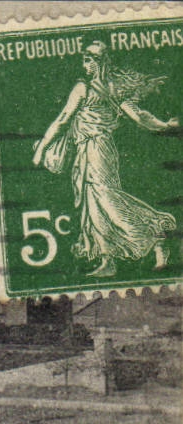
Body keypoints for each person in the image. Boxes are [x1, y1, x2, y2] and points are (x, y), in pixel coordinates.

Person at [32, 40, 179, 277]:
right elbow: (139, 116)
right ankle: (107, 261)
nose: (85, 63)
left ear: (99, 62)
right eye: (85, 58)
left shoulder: (86, 88)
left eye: (89, 59)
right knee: (93, 204)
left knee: (105, 198)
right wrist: (164, 125)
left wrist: (41, 150)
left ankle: (155, 235)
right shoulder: (111, 88)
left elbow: (62, 120)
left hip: (96, 149)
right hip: (92, 149)